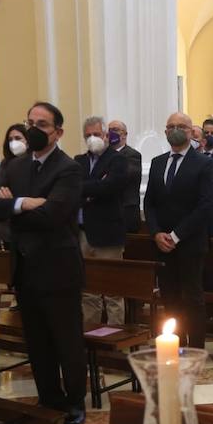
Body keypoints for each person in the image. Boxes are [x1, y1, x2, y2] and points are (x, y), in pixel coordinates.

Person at [0, 101, 88, 424]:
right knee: (38, 341)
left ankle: (74, 400)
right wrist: (24, 203)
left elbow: (55, 215)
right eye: (30, 122)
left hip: (58, 269)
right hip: (25, 268)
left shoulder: (68, 168)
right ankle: (49, 397)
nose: (33, 129)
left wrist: (12, 206)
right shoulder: (15, 166)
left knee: (66, 339)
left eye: (42, 124)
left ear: (58, 132)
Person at [144, 112, 213, 349]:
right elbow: (150, 203)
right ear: (165, 132)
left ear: (190, 131)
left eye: (181, 126)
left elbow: (205, 205)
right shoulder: (157, 162)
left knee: (192, 298)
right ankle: (176, 343)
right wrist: (156, 233)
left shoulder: (204, 163)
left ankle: (195, 348)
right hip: (161, 244)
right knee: (170, 297)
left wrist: (176, 235)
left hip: (190, 243)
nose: (175, 129)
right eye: (170, 126)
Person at [77, 115, 132, 324]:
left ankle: (115, 339)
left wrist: (88, 188)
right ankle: (91, 336)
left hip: (108, 233)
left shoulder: (118, 160)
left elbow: (111, 187)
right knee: (88, 291)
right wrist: (94, 187)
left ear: (106, 136)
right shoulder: (79, 161)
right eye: (88, 135)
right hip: (82, 232)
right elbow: (73, 187)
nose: (92, 138)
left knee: (112, 290)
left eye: (96, 134)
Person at [106, 119, 143, 233]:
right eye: (109, 130)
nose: (112, 133)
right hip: (108, 211)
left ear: (125, 134)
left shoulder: (133, 155)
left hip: (126, 211)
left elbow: (125, 176)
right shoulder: (104, 154)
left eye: (116, 130)